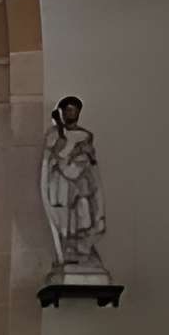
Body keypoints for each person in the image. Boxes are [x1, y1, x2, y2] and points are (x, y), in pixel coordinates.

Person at [40, 95, 106, 271]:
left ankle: (81, 248)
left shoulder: (85, 135)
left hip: (81, 181)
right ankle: (66, 247)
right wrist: (67, 150)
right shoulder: (54, 135)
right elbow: (52, 158)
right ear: (62, 112)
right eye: (68, 110)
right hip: (62, 182)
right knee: (65, 216)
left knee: (83, 211)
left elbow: (90, 161)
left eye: (75, 110)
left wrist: (85, 155)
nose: (72, 113)